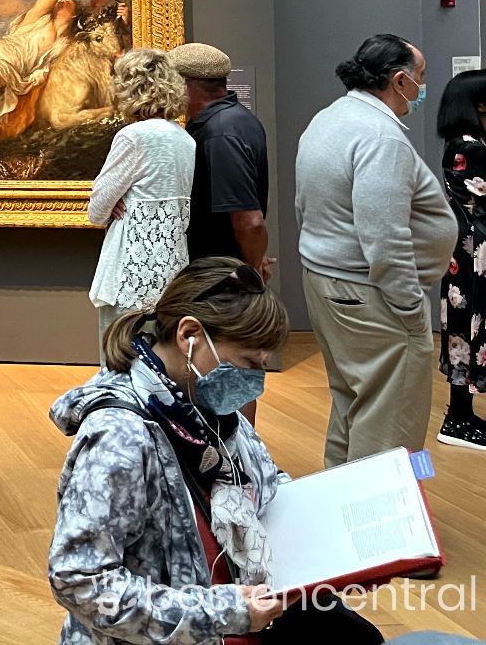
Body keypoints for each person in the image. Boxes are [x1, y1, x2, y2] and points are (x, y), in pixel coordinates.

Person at [49, 259, 382, 644]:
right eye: (249, 363)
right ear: (190, 335)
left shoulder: (208, 411)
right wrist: (224, 612)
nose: (256, 381)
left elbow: (267, 485)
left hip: (244, 612)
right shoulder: (120, 436)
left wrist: (341, 556)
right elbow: (80, 580)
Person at [295, 34, 455, 467]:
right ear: (400, 80)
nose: (423, 88)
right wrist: (409, 308)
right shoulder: (381, 136)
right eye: (421, 77)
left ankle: (340, 501)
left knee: (354, 402)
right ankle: (377, 511)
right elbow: (384, 236)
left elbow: (304, 206)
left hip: (329, 282)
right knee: (391, 422)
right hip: (370, 292)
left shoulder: (329, 118)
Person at [86, 49, 195, 352]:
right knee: (162, 360)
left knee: (120, 360)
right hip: (172, 268)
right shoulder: (184, 138)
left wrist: (116, 202)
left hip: (131, 271)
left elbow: (97, 209)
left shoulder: (133, 137)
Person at [169, 42, 272, 275]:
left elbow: (250, 220)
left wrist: (253, 271)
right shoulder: (235, 118)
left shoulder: (220, 132)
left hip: (220, 274)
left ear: (183, 84)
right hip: (221, 269)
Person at [435, 68, 486, 450]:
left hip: (468, 249)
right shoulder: (468, 146)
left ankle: (461, 416)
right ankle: (457, 419)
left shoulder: (465, 142)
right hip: (475, 253)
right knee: (466, 330)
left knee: (464, 329)